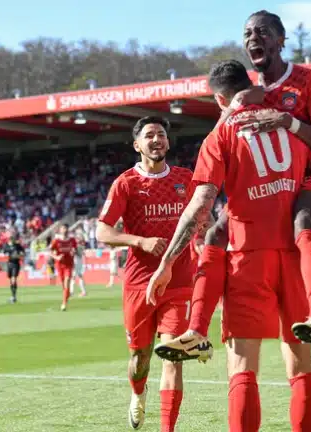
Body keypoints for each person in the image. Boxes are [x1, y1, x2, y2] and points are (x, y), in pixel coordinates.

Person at [156, 9, 311, 358]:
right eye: (248, 34)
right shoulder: (249, 92)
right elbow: (231, 128)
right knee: (216, 232)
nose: (254, 38)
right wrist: (231, 109)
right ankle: (196, 332)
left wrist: (288, 122)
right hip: (269, 185)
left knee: (303, 220)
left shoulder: (308, 81)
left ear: (281, 40)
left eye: (263, 32)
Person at [147, 59, 311, 432]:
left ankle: (196, 332)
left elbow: (200, 207)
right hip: (293, 255)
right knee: (300, 368)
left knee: (243, 370)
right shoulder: (288, 120)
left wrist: (166, 263)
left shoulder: (220, 136)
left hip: (248, 258)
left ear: (219, 99)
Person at [95, 116, 208, 431]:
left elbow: (205, 217)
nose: (156, 140)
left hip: (180, 280)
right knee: (139, 360)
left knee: (174, 358)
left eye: (161, 135)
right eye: (149, 136)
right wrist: (139, 241)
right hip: (139, 283)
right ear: (137, 145)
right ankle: (138, 393)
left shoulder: (187, 179)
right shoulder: (126, 183)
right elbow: (102, 232)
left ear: (168, 143)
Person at [50, 224, 77, 311]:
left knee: (67, 281)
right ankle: (67, 294)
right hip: (60, 265)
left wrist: (73, 252)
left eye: (66, 228)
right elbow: (50, 251)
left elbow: (75, 249)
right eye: (63, 228)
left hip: (69, 265)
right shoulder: (56, 241)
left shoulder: (72, 240)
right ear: (60, 230)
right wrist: (56, 257)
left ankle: (64, 303)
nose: (64, 230)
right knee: (64, 286)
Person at [3, 235, 25, 303]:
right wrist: (9, 254)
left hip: (16, 264)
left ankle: (13, 296)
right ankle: (13, 295)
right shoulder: (6, 245)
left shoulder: (17, 245)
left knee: (13, 279)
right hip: (9, 264)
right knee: (11, 280)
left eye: (13, 239)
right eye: (11, 239)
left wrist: (20, 255)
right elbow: (5, 253)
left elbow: (23, 253)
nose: (12, 240)